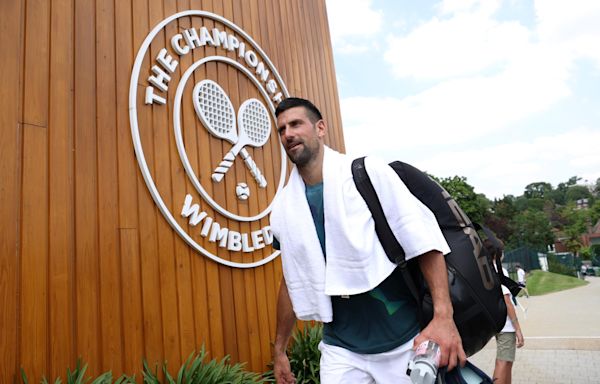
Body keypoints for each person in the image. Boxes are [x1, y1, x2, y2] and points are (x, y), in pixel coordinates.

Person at [270, 97, 466, 384]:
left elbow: (424, 241)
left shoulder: (366, 173)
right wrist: (279, 350)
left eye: (296, 124)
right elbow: (292, 279)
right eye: (282, 129)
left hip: (403, 341)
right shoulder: (285, 208)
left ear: (320, 128)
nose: (288, 134)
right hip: (341, 349)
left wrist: (443, 318)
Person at [484, 239, 524, 384]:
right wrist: (518, 329)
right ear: (497, 253)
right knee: (503, 362)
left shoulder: (483, 270)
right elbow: (508, 304)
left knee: (507, 361)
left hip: (494, 321)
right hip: (506, 324)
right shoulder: (499, 270)